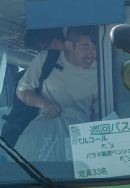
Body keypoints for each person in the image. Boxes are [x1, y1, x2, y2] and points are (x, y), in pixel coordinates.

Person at [13, 25, 100, 162]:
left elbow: (99, 116)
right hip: (45, 138)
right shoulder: (47, 59)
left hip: (81, 141)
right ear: (68, 45)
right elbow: (22, 90)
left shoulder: (102, 69)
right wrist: (44, 104)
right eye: (85, 47)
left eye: (95, 48)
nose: (91, 53)